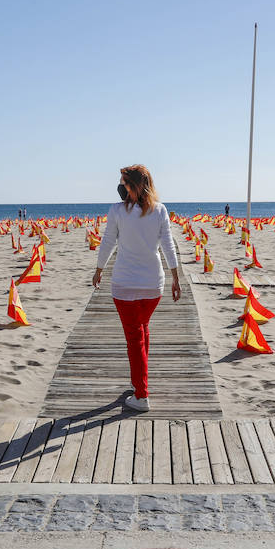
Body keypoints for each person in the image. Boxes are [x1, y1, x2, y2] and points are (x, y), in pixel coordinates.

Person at [92, 164, 180, 412]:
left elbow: (108, 241)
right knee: (142, 331)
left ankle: (141, 395)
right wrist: (175, 277)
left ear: (135, 186)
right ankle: (137, 380)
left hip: (125, 285)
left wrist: (99, 269)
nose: (120, 187)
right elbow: (168, 245)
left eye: (124, 182)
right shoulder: (159, 210)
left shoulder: (118, 211)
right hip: (153, 286)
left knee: (135, 339)